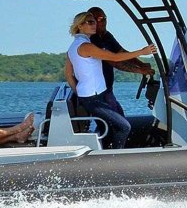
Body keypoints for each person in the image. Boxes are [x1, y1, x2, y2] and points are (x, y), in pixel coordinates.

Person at [67, 11, 157, 148]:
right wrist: (142, 52)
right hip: (93, 98)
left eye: (95, 22)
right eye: (90, 22)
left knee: (109, 128)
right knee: (124, 127)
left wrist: (79, 93)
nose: (94, 24)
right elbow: (114, 58)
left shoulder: (73, 47)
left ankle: (107, 151)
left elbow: (68, 74)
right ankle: (115, 156)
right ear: (80, 26)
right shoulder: (86, 47)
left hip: (93, 96)